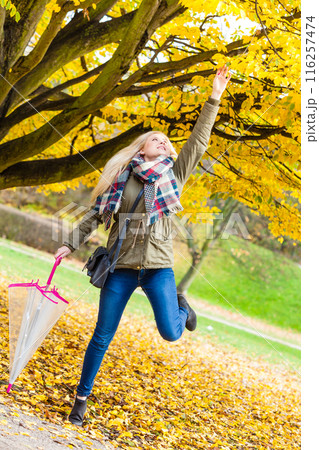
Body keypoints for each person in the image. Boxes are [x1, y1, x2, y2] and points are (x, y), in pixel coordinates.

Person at [54, 64, 231, 426]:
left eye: (167, 141)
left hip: (156, 270)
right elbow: (94, 214)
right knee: (101, 335)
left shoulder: (173, 176)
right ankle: (81, 401)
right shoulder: (121, 177)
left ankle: (182, 307)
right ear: (142, 147)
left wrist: (214, 97)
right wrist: (69, 244)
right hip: (119, 268)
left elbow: (197, 143)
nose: (164, 143)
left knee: (170, 332)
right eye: (157, 139)